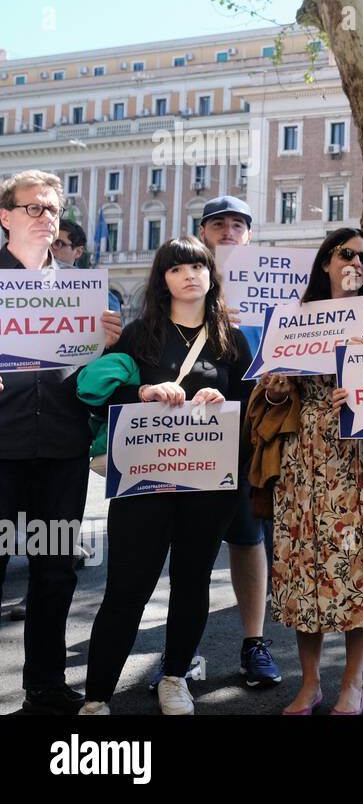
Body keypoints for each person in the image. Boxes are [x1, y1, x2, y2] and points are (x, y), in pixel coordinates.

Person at [78, 237, 254, 715]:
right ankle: (96, 697)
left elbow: (250, 411)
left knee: (192, 580)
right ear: (164, 279)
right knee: (127, 587)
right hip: (143, 484)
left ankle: (175, 677)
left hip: (208, 485)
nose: (190, 275)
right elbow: (100, 401)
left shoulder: (231, 340)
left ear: (211, 276)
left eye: (198, 266)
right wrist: (143, 390)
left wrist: (225, 403)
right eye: (178, 268)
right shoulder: (138, 335)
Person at [0, 170, 122, 714]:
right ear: (5, 216)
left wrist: (106, 348)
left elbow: (95, 376)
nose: (46, 217)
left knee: (54, 567)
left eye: (52, 209)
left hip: (62, 449)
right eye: (34, 208)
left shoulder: (81, 290)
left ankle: (45, 682)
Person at [270, 227, 363, 715]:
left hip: (361, 460)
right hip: (302, 458)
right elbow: (274, 391)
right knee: (304, 568)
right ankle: (309, 684)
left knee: (358, 569)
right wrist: (279, 388)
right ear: (326, 261)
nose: (358, 263)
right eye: (347, 254)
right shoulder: (292, 319)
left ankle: (353, 682)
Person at [195, 195, 282, 689]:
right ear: (203, 233)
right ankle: (181, 651)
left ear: (250, 236)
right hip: (195, 430)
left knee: (248, 539)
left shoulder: (276, 285)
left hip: (254, 431)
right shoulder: (184, 279)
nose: (228, 232)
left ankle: (254, 643)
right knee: (192, 543)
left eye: (237, 225)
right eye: (218, 224)